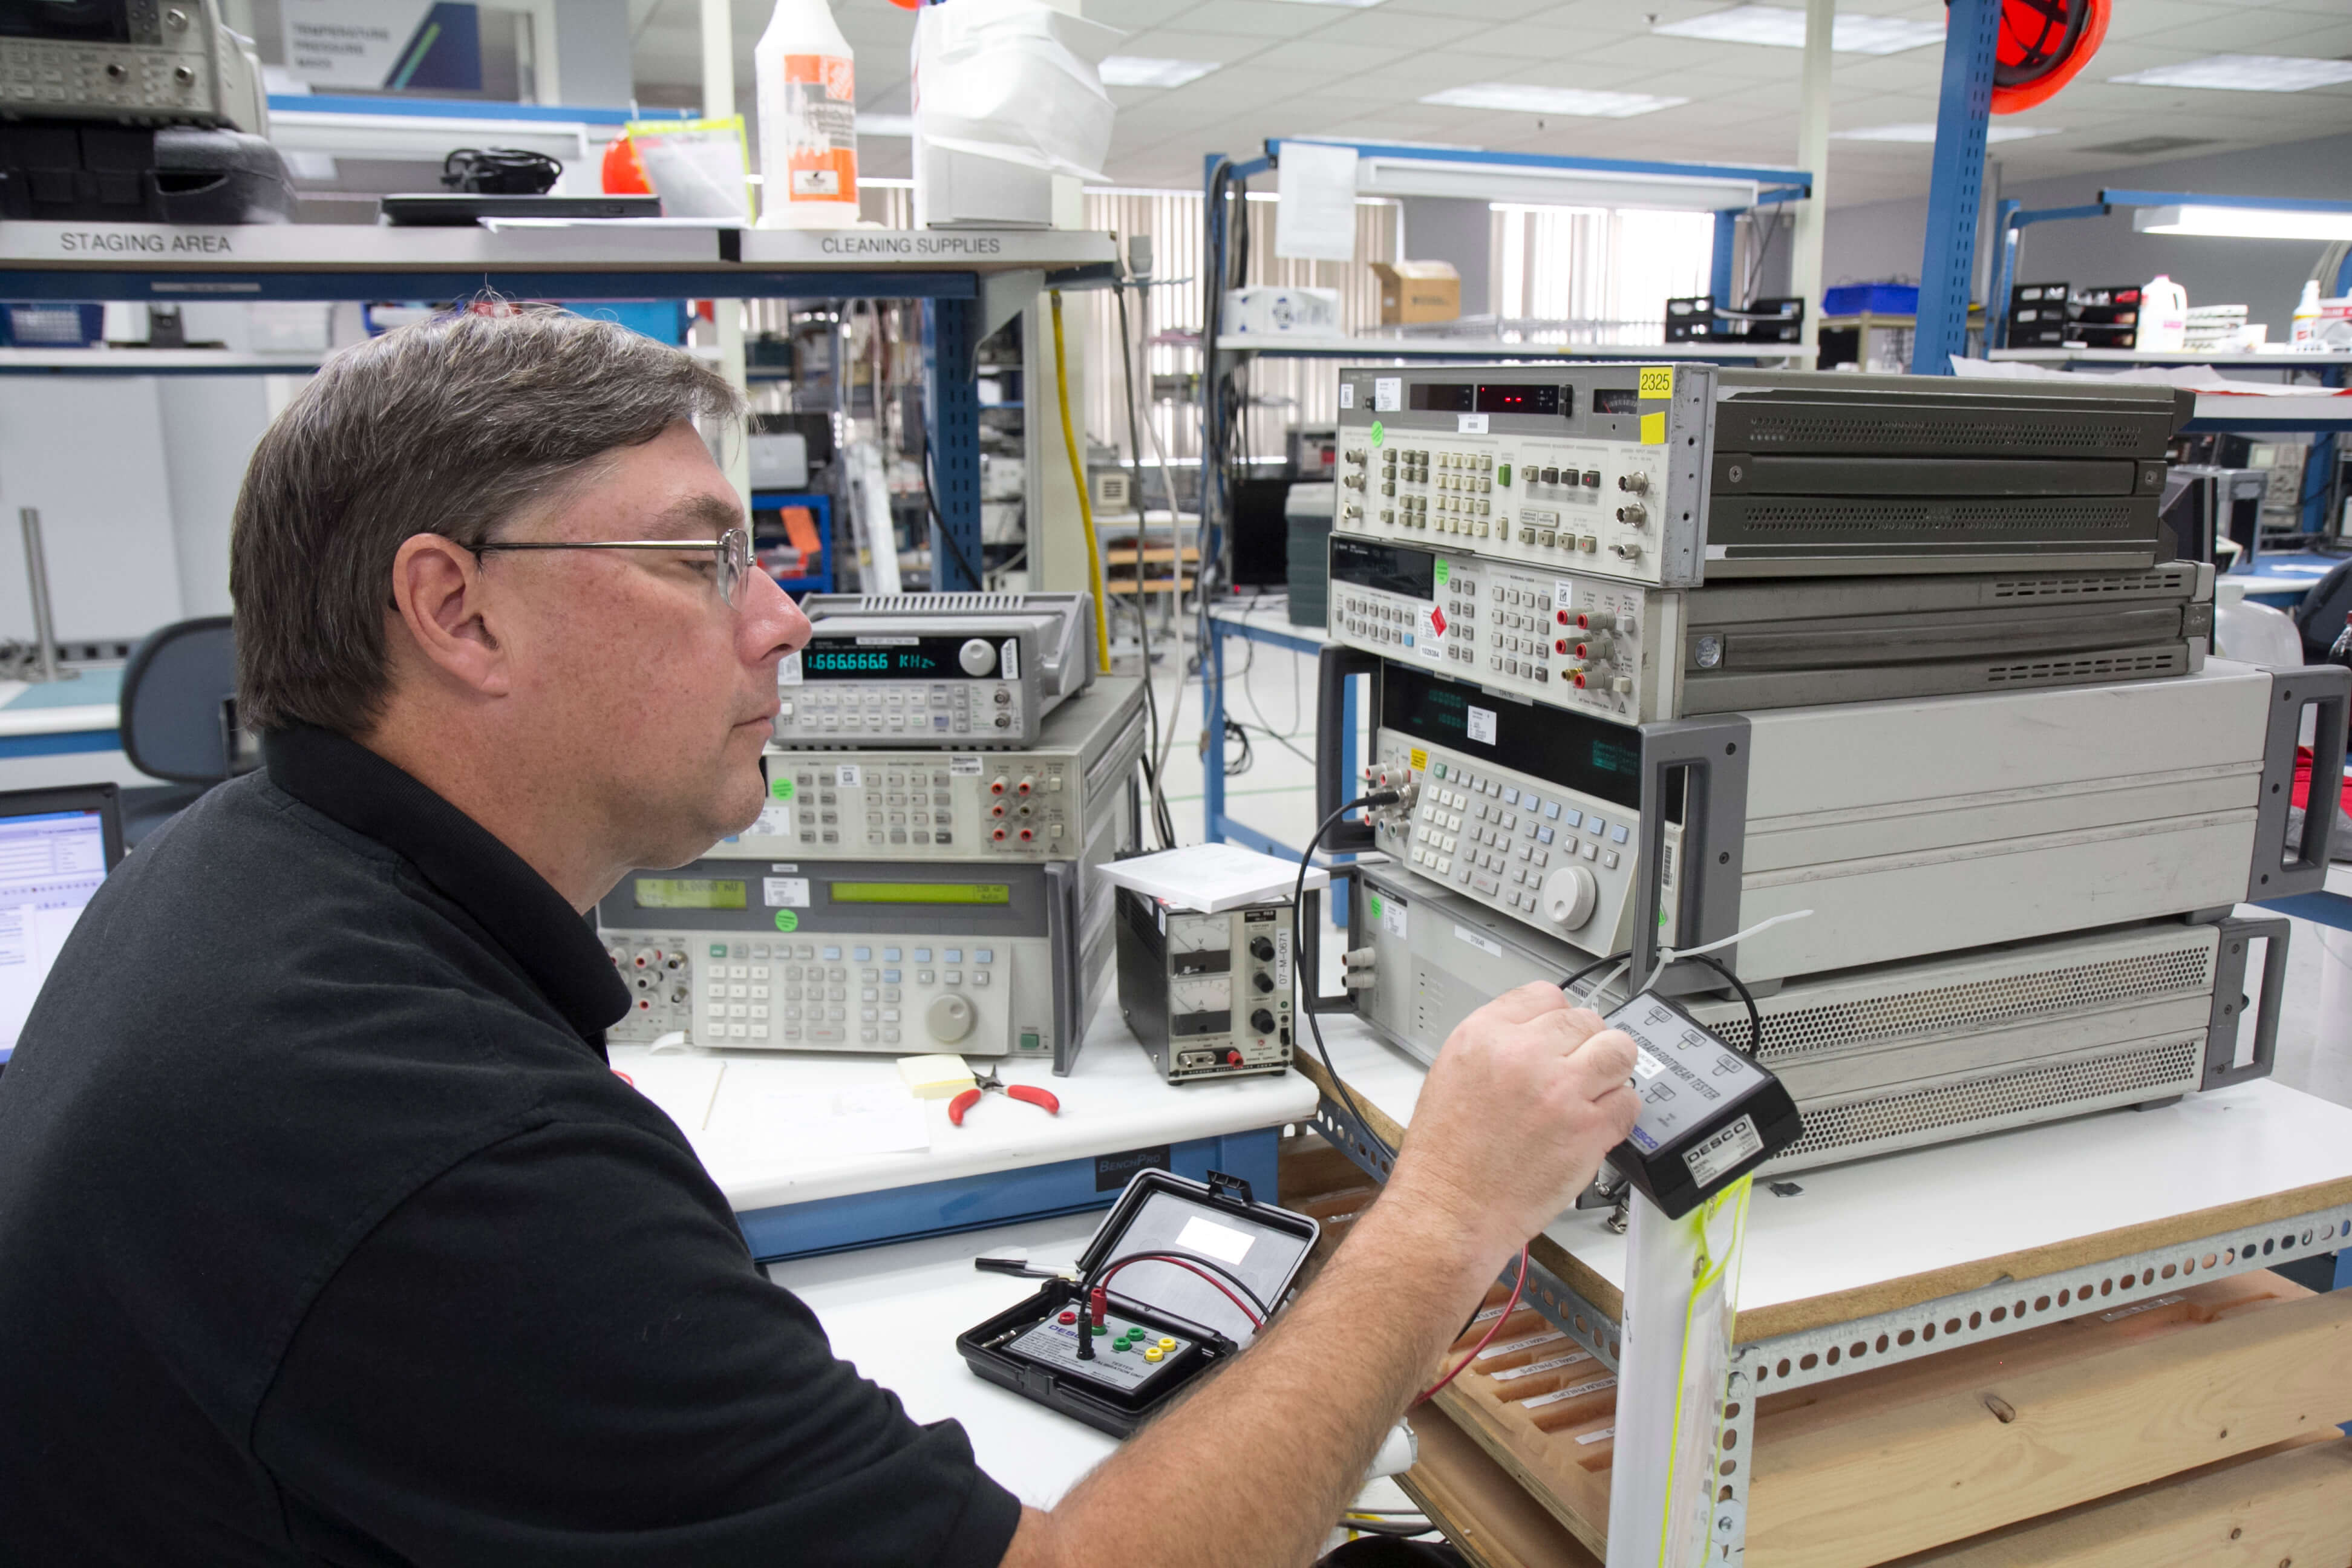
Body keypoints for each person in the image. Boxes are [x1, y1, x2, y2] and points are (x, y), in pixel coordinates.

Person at [0, 307, 1641, 1567]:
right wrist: (1438, 1222)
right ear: (458, 611)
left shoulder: (241, 873)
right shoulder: (428, 1138)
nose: (785, 615)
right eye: (703, 559)